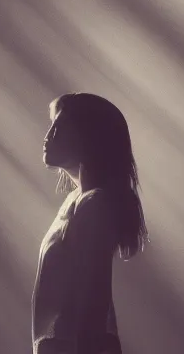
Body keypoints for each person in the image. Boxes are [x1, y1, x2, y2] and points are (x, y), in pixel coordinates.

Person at [32, 92, 148, 354]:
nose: (48, 135)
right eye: (51, 126)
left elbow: (94, 301)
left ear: (88, 136)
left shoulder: (95, 206)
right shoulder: (76, 202)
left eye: (59, 127)